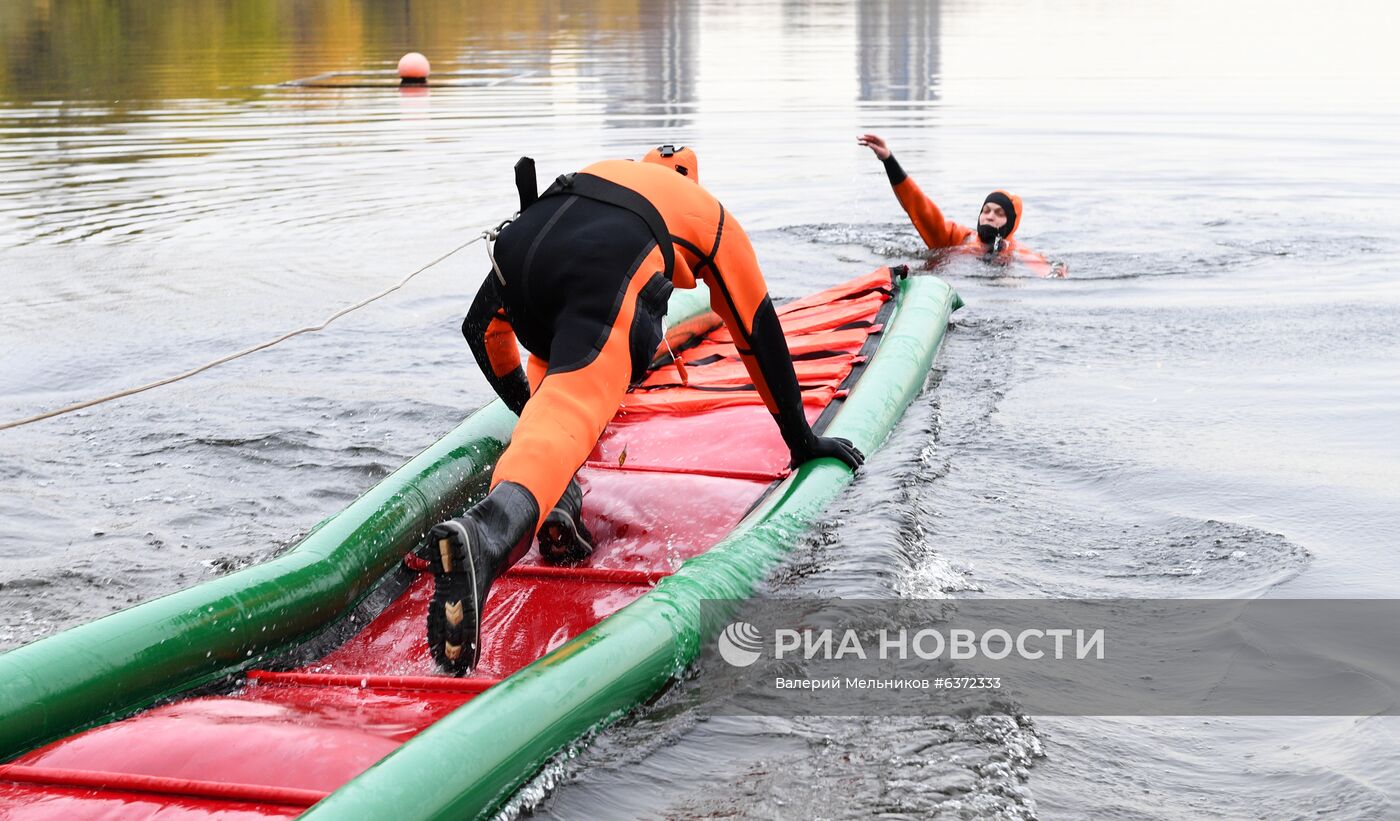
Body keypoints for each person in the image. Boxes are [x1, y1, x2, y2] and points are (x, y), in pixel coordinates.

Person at [423, 145, 865, 675]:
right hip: (608, 266)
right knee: (572, 403)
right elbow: (757, 332)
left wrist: (531, 417)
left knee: (555, 369)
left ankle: (557, 492)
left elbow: (482, 330)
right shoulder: (708, 213)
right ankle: (487, 535)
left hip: (526, 250)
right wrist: (802, 439)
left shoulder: (600, 172)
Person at [857, 133, 1067, 277]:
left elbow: (1050, 274)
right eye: (985, 211)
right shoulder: (955, 238)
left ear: (1011, 223)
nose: (989, 216)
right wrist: (888, 160)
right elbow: (919, 206)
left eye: (999, 213)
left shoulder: (1019, 254)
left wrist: (1057, 274)